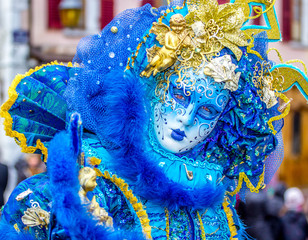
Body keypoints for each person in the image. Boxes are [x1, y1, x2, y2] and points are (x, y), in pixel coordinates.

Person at [0, 0, 307, 239]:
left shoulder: (214, 202)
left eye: (207, 111)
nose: (185, 119)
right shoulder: (77, 187)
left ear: (220, 125)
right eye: (180, 95)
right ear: (154, 89)